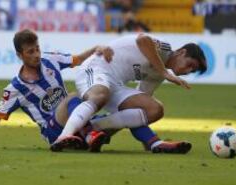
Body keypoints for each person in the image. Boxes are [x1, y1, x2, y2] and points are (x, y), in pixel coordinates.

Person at [0, 29, 114, 149]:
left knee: (123, 117)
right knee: (73, 97)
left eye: (37, 49)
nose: (36, 54)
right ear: (19, 55)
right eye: (30, 51)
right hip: (53, 131)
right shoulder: (15, 89)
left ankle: (86, 137)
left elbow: (77, 60)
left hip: (75, 119)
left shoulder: (50, 59)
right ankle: (87, 134)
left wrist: (95, 49)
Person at [52, 33, 207, 153]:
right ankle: (63, 137)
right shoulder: (165, 49)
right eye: (189, 65)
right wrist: (165, 73)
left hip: (115, 85)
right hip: (96, 68)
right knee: (101, 94)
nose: (188, 71)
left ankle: (92, 128)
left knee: (154, 110)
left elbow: (136, 112)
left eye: (192, 71)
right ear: (181, 52)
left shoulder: (159, 75)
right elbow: (142, 39)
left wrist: (145, 138)